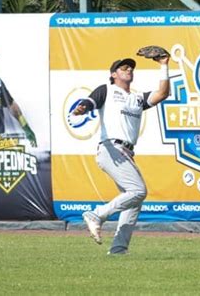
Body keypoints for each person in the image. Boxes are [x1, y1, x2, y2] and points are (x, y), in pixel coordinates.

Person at [73, 54, 170, 255]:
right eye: (123, 67)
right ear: (113, 74)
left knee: (133, 201)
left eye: (130, 67)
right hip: (111, 148)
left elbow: (162, 93)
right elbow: (91, 101)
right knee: (138, 191)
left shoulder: (136, 98)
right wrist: (83, 107)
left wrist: (164, 65)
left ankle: (118, 249)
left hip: (126, 151)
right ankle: (96, 215)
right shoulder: (107, 90)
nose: (128, 69)